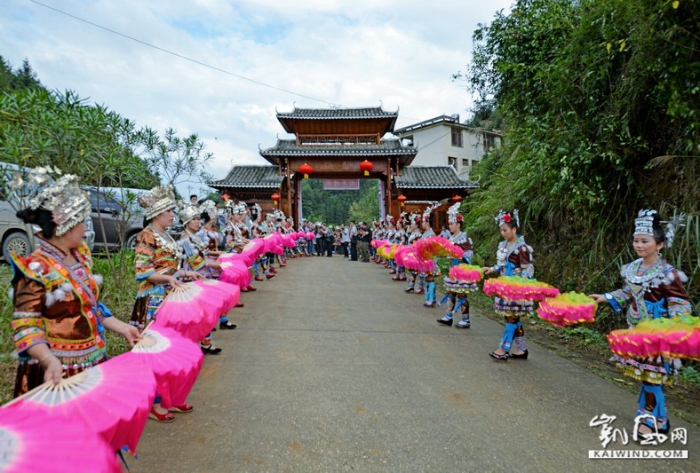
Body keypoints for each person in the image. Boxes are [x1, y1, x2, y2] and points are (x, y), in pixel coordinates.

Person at [9, 171, 140, 397]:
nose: (86, 230)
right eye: (81, 223)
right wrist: (48, 360)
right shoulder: (35, 268)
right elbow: (26, 327)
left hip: (92, 360)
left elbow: (91, 307)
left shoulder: (81, 257)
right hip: (57, 371)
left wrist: (124, 328)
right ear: (64, 225)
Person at [589, 210, 691, 439]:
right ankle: (654, 416)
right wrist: (606, 297)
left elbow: (679, 301)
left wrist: (676, 323)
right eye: (636, 240)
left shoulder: (668, 273)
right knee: (645, 374)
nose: (639, 245)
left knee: (652, 376)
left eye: (645, 241)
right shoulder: (634, 268)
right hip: (637, 331)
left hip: (658, 334)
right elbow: (628, 292)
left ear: (660, 244)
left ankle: (653, 419)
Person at [130, 184, 202, 422]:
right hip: (152, 300)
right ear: (156, 214)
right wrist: (170, 277)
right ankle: (153, 402)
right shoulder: (146, 236)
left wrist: (185, 274)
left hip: (170, 298)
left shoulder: (167, 235)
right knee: (156, 351)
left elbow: (172, 268)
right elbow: (143, 271)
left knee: (173, 349)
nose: (173, 215)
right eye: (169, 211)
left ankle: (171, 396)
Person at [482, 210, 532, 361]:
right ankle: (522, 349)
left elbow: (528, 268)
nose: (502, 233)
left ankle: (503, 349)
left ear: (514, 229)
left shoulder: (522, 247)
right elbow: (501, 265)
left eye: (505, 230)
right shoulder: (503, 245)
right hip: (504, 285)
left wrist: (522, 284)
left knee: (511, 317)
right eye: (501, 230)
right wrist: (491, 269)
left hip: (515, 288)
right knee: (512, 318)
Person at [177, 201, 224, 355]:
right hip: (191, 278)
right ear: (186, 222)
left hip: (200, 274)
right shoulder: (185, 239)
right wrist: (215, 264)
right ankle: (195, 344)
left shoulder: (193, 236)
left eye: (198, 218)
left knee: (203, 312)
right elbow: (196, 262)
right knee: (196, 313)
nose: (198, 221)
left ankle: (205, 342)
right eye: (194, 219)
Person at [437, 202, 475, 328]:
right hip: (452, 268)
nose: (449, 226)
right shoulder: (452, 238)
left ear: (458, 224)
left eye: (452, 223)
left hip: (461, 269)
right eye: (449, 223)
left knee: (461, 294)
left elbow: (469, 253)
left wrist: (461, 255)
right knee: (450, 292)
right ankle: (448, 316)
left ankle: (466, 319)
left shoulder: (463, 238)